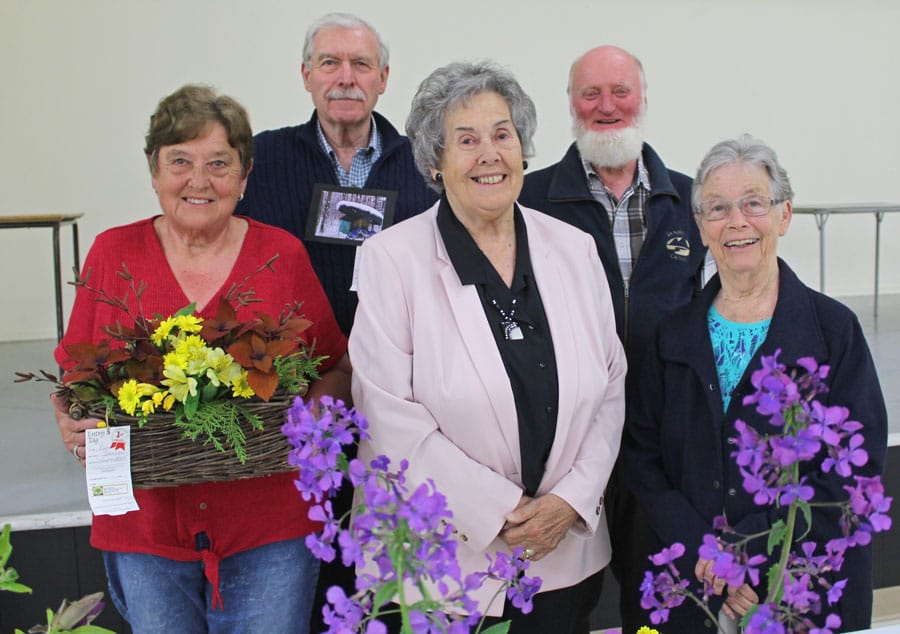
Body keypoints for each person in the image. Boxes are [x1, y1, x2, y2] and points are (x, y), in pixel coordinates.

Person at [52, 84, 352, 633]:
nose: (199, 180)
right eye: (180, 161)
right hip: (144, 528)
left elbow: (336, 364)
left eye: (219, 163)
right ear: (153, 170)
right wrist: (73, 419)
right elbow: (77, 375)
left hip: (270, 527)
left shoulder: (280, 255)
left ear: (244, 175)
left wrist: (313, 420)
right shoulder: (112, 254)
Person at [349, 61, 627, 633]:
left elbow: (611, 387)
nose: (489, 154)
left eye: (502, 135)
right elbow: (387, 418)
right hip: (439, 561)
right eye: (466, 140)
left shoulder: (574, 250)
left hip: (562, 554)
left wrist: (570, 502)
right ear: (434, 161)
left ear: (523, 149)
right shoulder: (390, 260)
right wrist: (501, 513)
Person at [622, 134, 888, 632]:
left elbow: (856, 472)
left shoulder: (834, 332)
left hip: (800, 586)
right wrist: (708, 552)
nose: (736, 222)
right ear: (700, 227)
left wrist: (751, 556)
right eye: (717, 208)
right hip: (696, 585)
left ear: (784, 215)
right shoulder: (671, 335)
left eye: (753, 204)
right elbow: (641, 455)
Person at [518, 45, 708, 631]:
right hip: (566, 450)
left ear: (643, 98)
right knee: (563, 608)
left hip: (660, 446)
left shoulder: (692, 199)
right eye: (590, 93)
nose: (607, 106)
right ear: (571, 104)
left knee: (655, 606)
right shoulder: (530, 200)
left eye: (620, 91)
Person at [235, 12, 438, 335]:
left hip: (401, 354)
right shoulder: (261, 158)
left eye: (361, 64)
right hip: (289, 360)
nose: (346, 78)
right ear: (306, 75)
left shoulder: (426, 162)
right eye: (329, 63)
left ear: (383, 79)